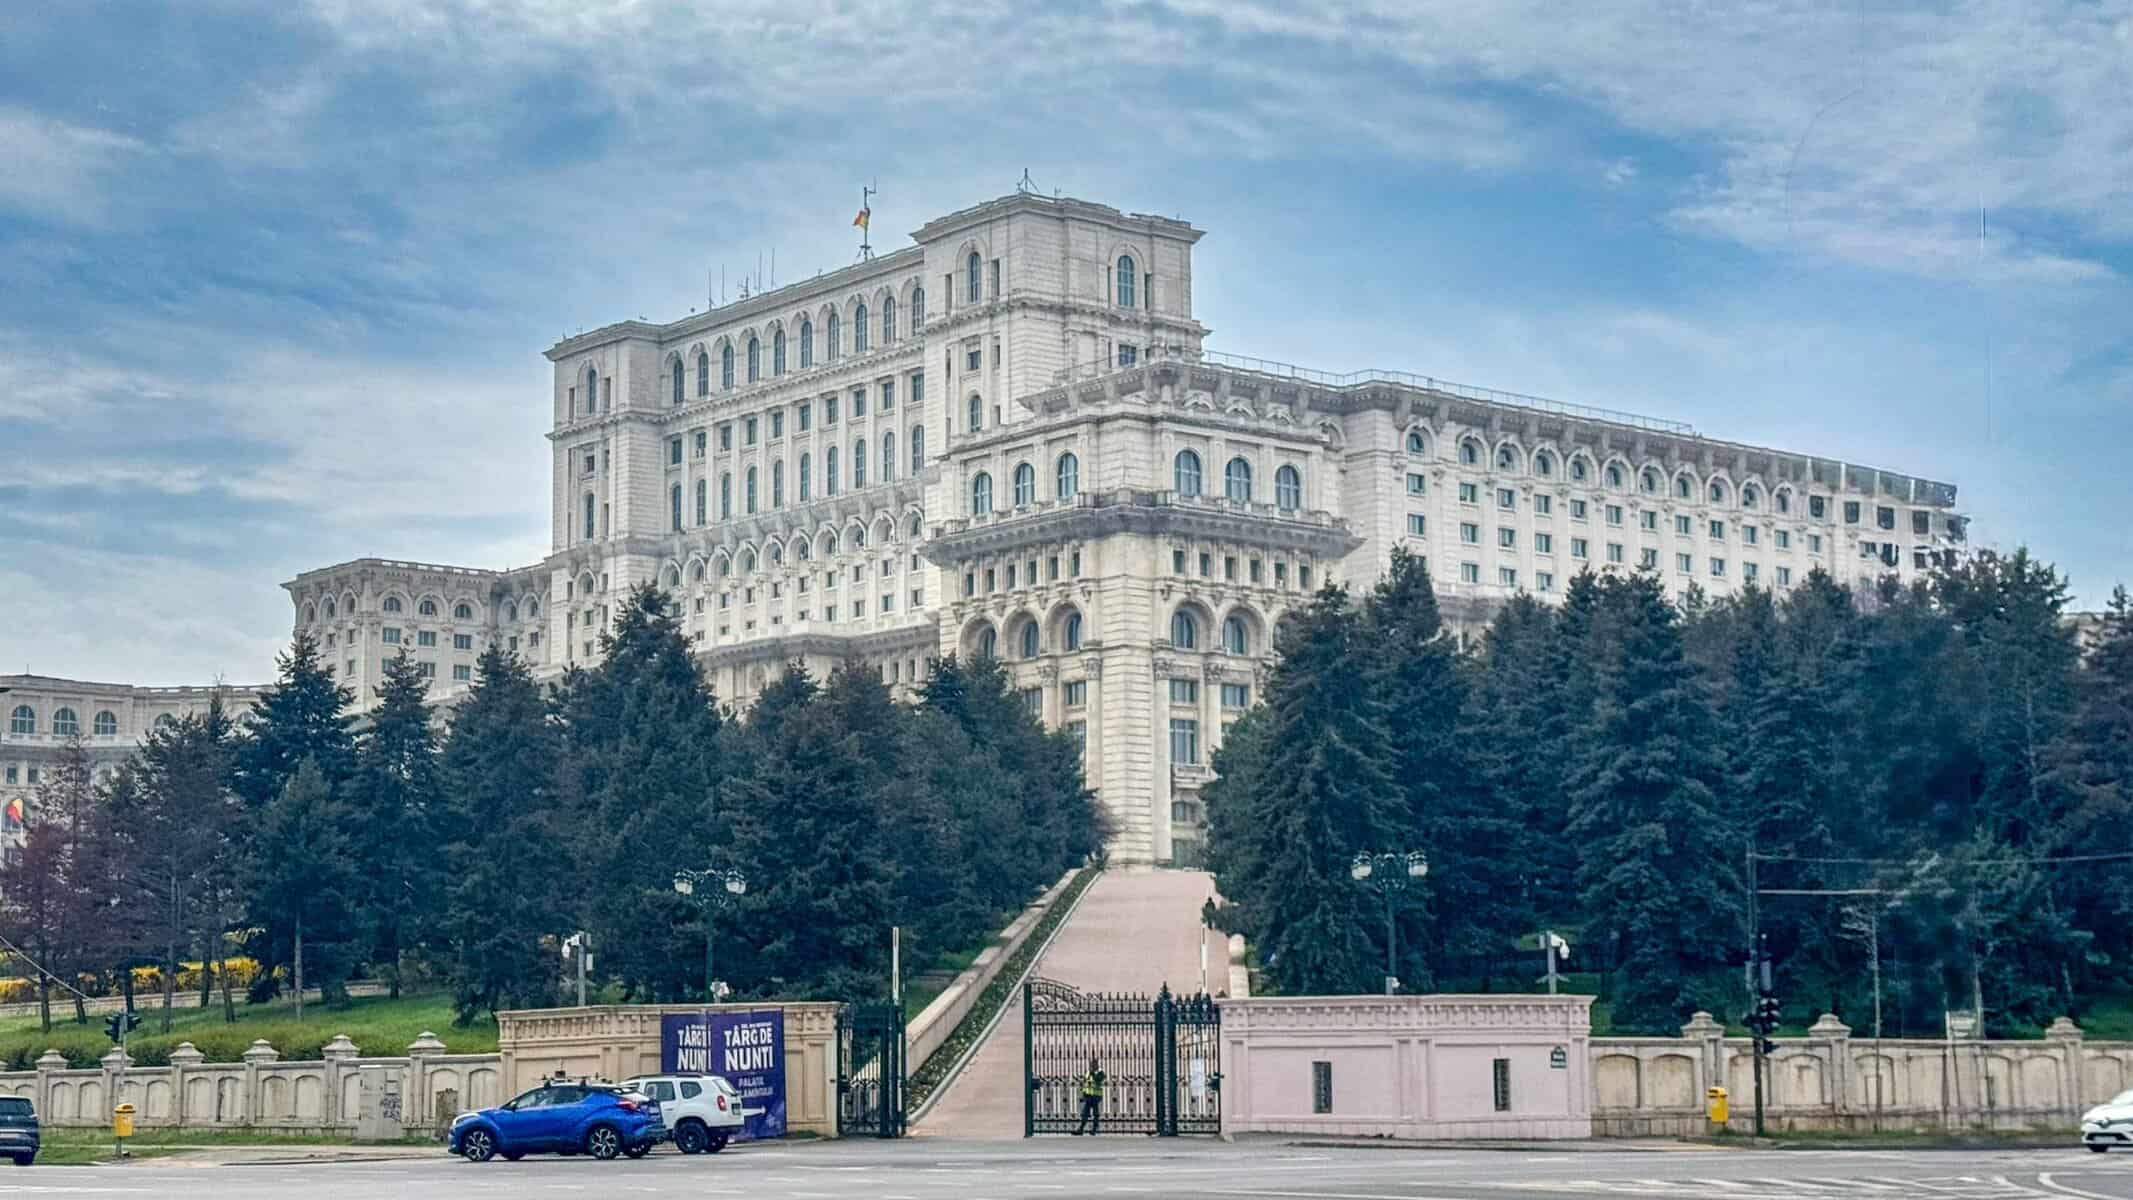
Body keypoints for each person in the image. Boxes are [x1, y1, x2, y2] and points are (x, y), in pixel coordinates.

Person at [1072, 1057, 1107, 1135]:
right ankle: (1081, 1130)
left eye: (1093, 1064)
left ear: (1097, 1065)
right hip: (1088, 1095)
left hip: (1096, 1096)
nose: (1091, 1066)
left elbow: (1099, 1080)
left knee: (1095, 1113)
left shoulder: (1100, 1072)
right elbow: (1086, 1083)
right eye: (1091, 1064)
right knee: (1085, 1113)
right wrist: (1083, 1093)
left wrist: (1093, 1074)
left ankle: (1094, 1130)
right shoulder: (1088, 1072)